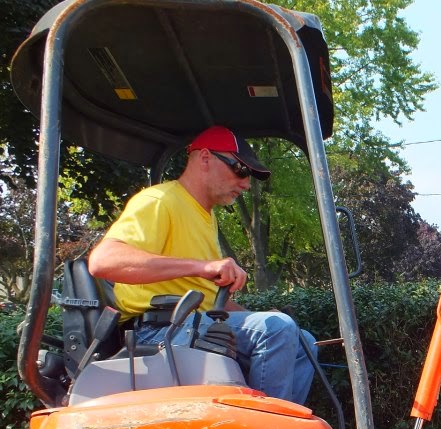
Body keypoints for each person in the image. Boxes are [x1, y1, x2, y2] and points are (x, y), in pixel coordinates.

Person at [88, 126, 316, 405]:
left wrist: (257, 314)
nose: (245, 184)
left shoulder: (206, 219)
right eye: (240, 170)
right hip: (158, 331)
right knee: (278, 329)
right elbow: (103, 261)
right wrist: (201, 266)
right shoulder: (160, 201)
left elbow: (210, 299)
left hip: (194, 324)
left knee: (303, 341)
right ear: (205, 158)